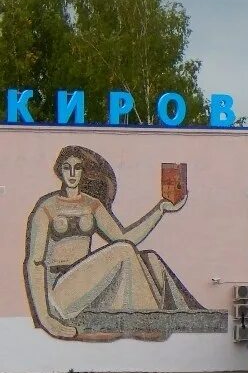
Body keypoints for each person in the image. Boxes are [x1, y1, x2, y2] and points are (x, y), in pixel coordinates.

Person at [24, 145, 205, 342]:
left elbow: (125, 237)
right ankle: (149, 319)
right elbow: (34, 263)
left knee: (150, 258)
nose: (73, 173)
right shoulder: (47, 207)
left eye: (78, 168)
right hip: (60, 291)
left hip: (87, 288)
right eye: (67, 167)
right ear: (60, 170)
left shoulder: (91, 204)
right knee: (124, 250)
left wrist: (160, 209)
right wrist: (44, 318)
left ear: (84, 172)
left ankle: (157, 316)